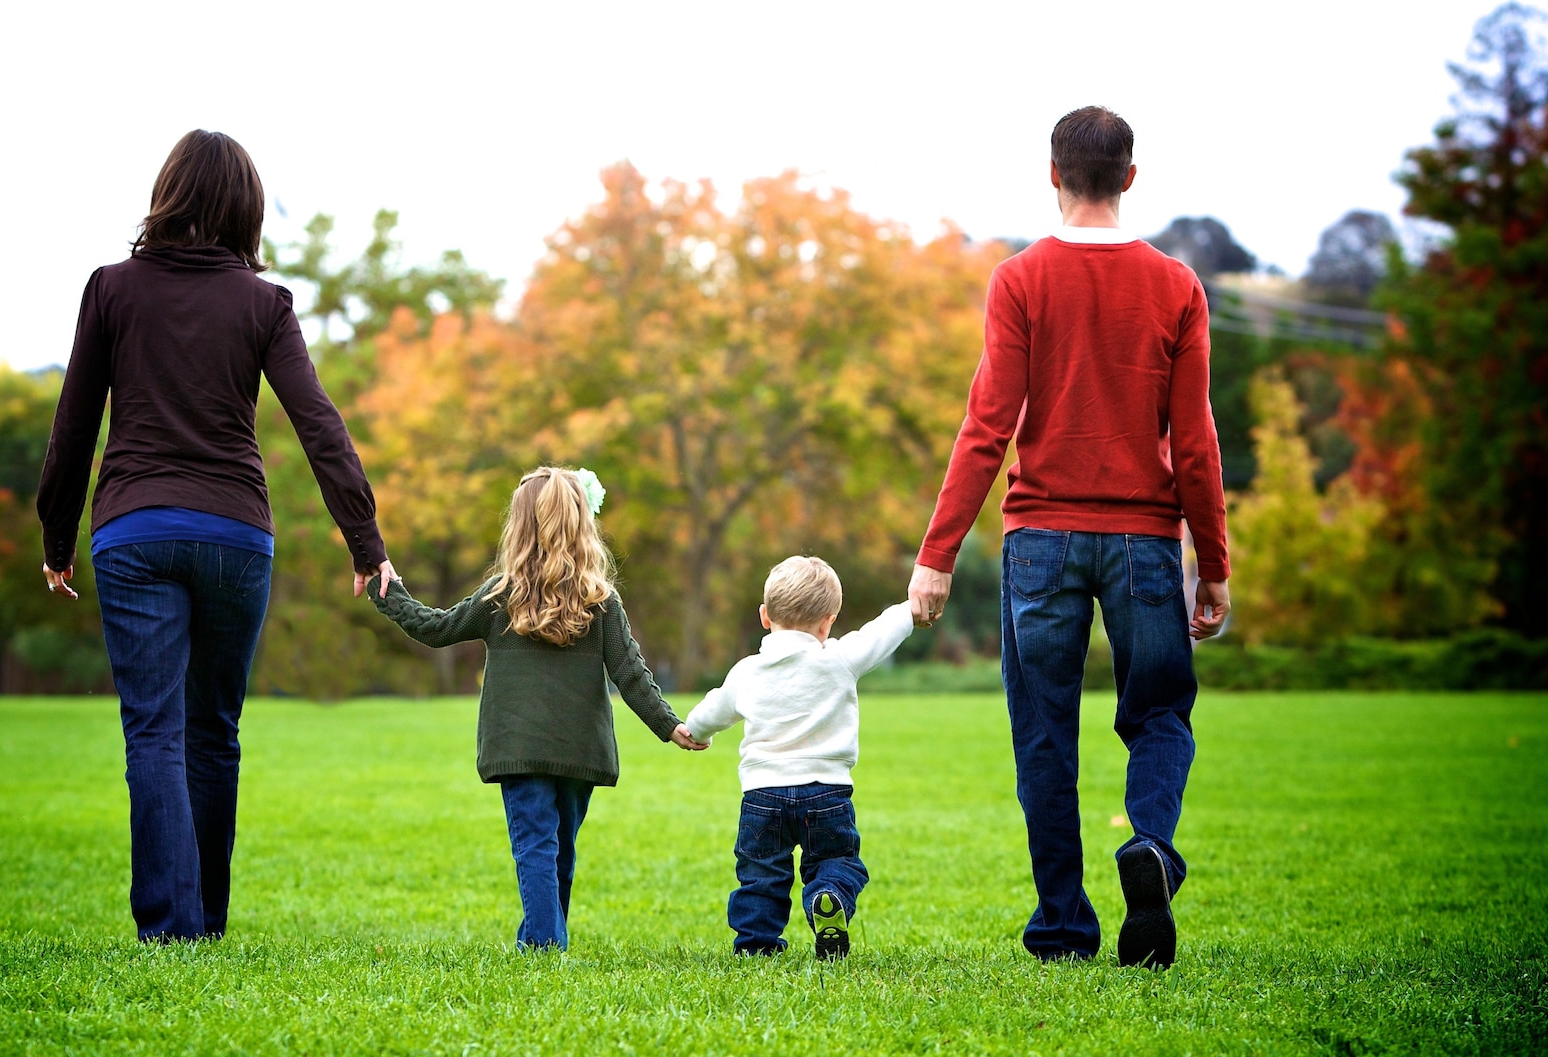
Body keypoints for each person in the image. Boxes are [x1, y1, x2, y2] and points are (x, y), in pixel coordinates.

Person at [35, 130, 397, 942]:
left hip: (132, 529)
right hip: (236, 535)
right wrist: (364, 539)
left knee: (154, 729)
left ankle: (172, 927)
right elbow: (319, 424)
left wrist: (57, 535)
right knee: (214, 730)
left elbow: (73, 425)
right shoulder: (263, 303)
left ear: (167, 194)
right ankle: (207, 922)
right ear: (246, 207)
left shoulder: (112, 290)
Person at [907, 106, 1232, 968]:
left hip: (1041, 538)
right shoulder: (1177, 287)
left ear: (1052, 174)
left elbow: (987, 425)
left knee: (1044, 729)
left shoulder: (1019, 280)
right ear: (1130, 178)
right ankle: (1152, 848)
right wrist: (1215, 563)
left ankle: (1061, 926)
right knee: (1160, 715)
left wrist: (936, 555)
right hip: (1146, 539)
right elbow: (1195, 439)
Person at [366, 467, 707, 950]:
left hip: (521, 747)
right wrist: (669, 724)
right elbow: (631, 675)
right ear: (582, 525)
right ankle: (545, 943)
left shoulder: (508, 597)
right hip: (577, 749)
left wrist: (389, 592)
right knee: (555, 851)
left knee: (542, 849)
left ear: (518, 529)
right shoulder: (592, 600)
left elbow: (433, 628)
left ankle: (542, 943)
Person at [677, 556, 913, 960]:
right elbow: (880, 633)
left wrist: (692, 732)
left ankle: (755, 945)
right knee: (837, 860)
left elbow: (714, 708)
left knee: (760, 874)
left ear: (765, 616)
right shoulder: (838, 658)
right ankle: (829, 894)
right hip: (827, 793)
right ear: (828, 621)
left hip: (762, 796)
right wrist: (913, 609)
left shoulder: (747, 671)